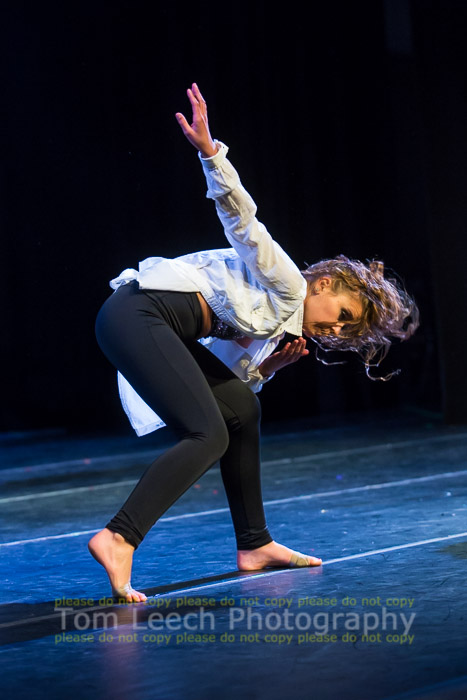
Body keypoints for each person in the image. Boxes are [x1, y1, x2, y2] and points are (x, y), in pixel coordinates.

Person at [88, 84, 419, 603]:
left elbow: (223, 378)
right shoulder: (288, 284)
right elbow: (243, 221)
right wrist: (211, 154)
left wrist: (266, 372)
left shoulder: (281, 325)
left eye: (347, 332)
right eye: (342, 317)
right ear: (324, 285)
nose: (336, 332)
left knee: (242, 410)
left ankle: (254, 543)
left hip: (150, 323)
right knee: (207, 435)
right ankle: (119, 536)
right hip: (136, 312)